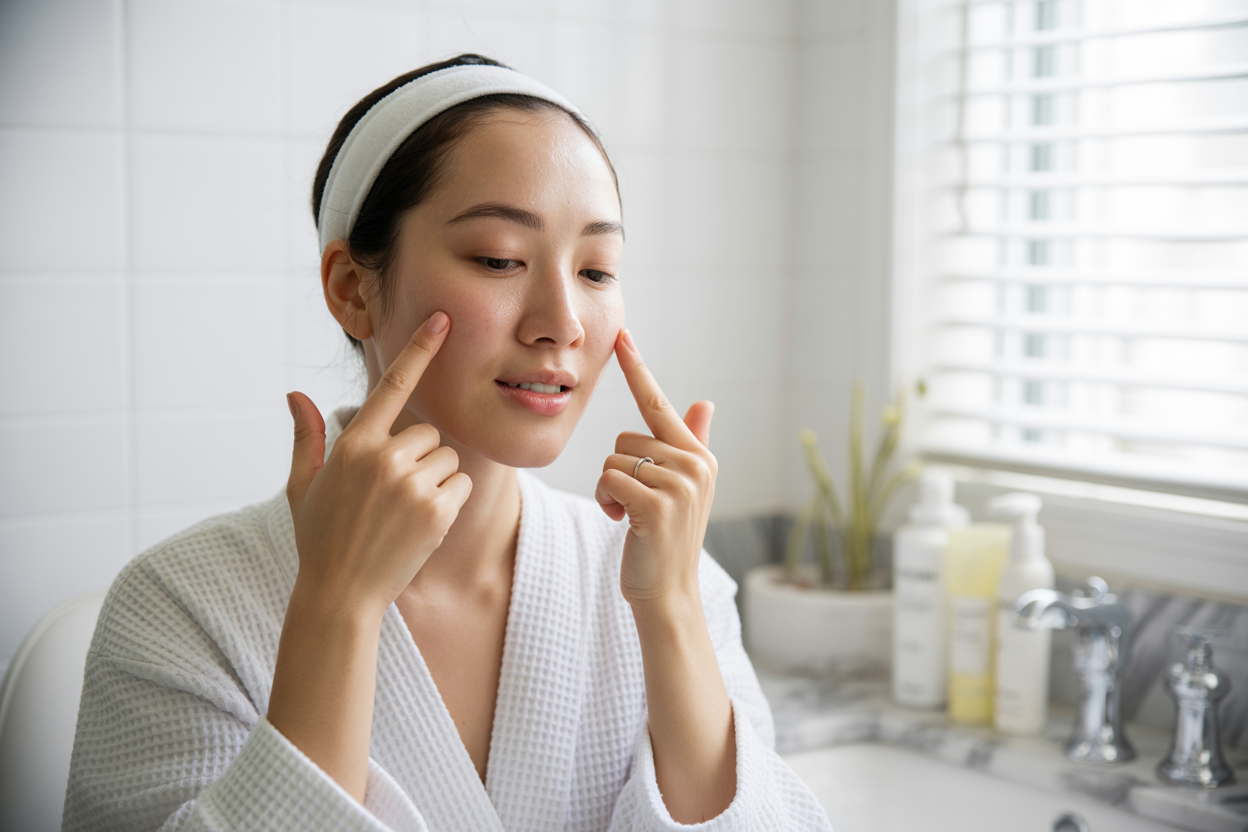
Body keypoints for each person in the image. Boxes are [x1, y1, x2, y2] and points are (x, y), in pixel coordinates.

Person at [62, 55, 832, 831]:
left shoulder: (660, 577)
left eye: (597, 270)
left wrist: (669, 610)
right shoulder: (181, 608)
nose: (562, 321)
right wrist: (337, 605)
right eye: (499, 259)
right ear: (351, 288)